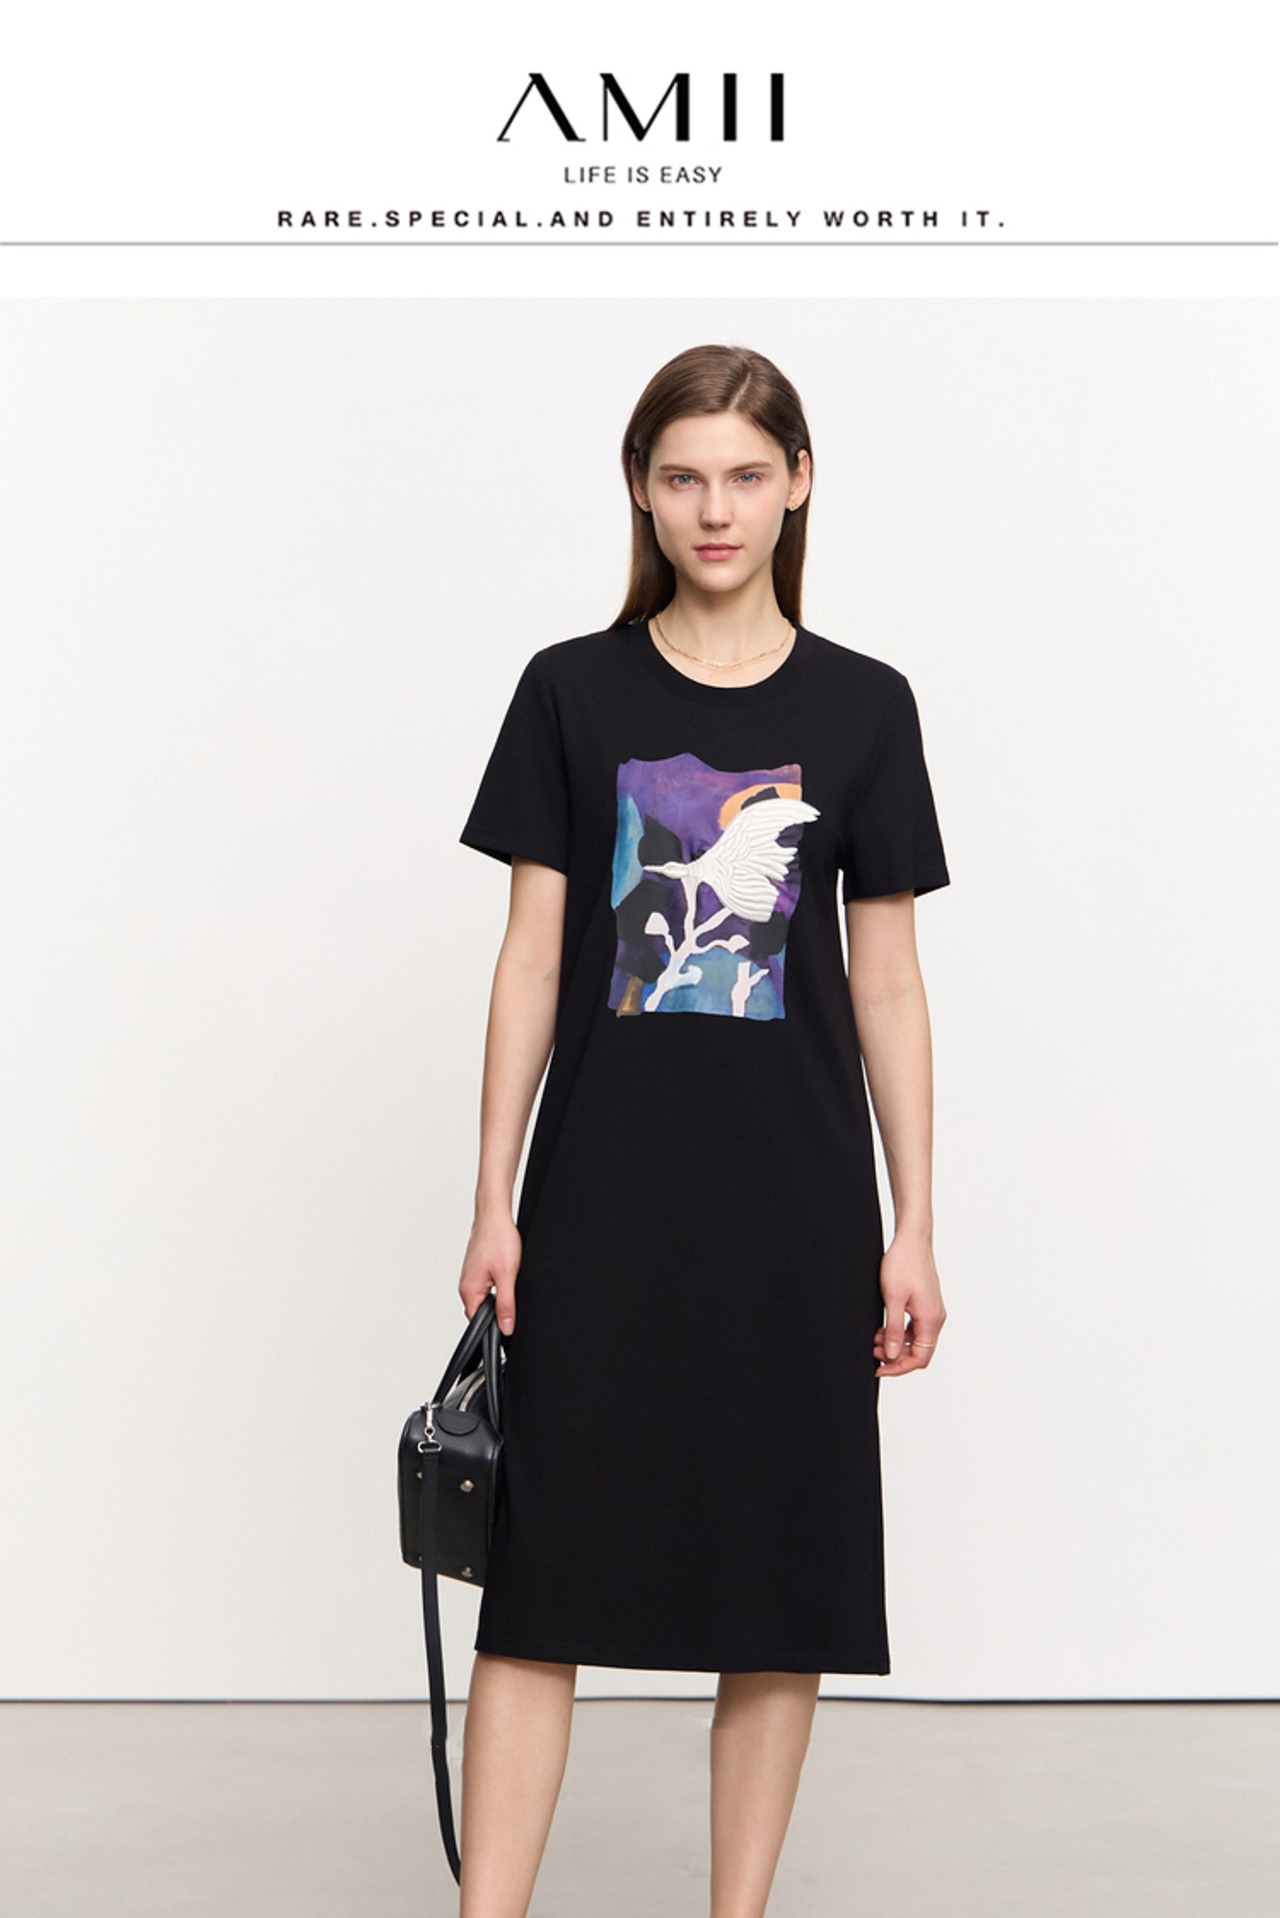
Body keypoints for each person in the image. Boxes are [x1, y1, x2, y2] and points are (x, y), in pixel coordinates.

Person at [452, 342, 951, 1918]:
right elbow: (532, 958)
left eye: (745, 474)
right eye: (683, 477)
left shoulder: (866, 706)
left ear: (798, 482)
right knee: (539, 1585)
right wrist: (494, 1196)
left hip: (796, 1209)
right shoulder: (571, 690)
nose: (715, 509)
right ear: (642, 490)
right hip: (600, 1200)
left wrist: (914, 1221)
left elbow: (888, 980)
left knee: (779, 1584)